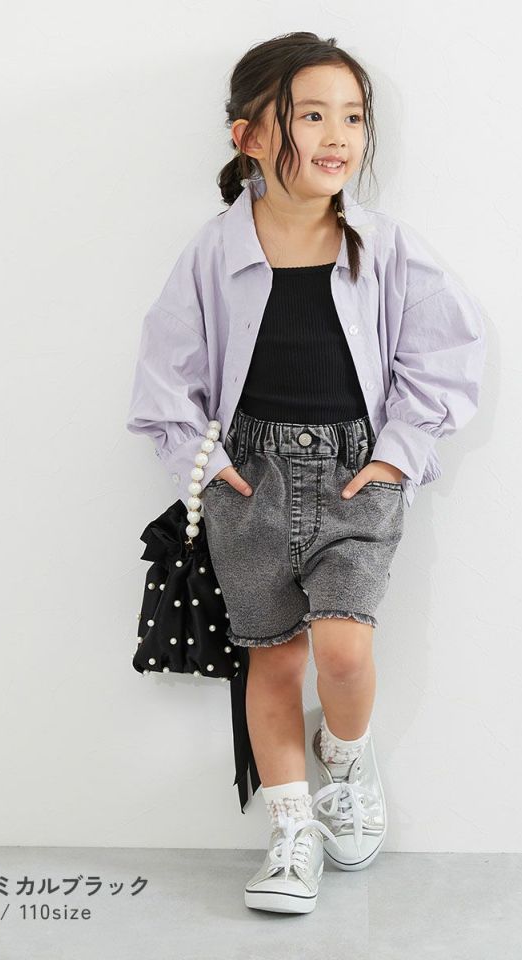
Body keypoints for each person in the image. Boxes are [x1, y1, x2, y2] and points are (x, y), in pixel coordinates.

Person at [126, 31, 487, 914]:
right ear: (250, 136)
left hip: (356, 475)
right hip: (248, 480)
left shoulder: (385, 245)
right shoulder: (213, 252)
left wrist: (397, 454)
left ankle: (346, 758)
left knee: (344, 648)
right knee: (275, 663)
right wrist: (205, 467)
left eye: (353, 117)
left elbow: (445, 354)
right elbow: (166, 375)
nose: (338, 135)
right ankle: (292, 833)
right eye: (312, 115)